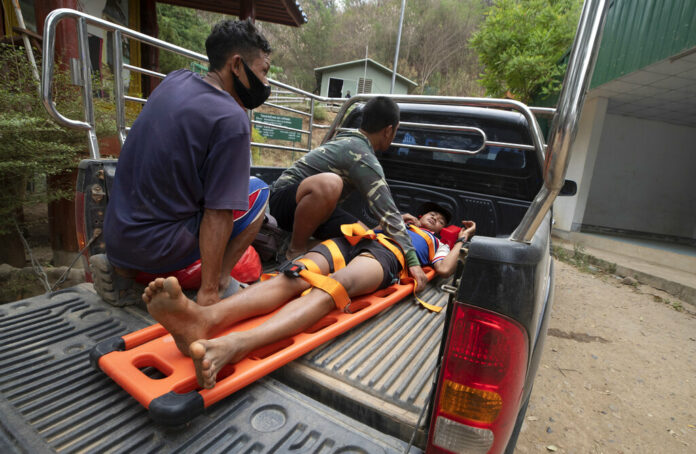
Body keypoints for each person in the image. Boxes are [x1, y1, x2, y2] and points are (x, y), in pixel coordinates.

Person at [142, 202, 476, 389]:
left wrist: (461, 238)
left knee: (332, 287)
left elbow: (444, 271)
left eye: (441, 219)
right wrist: (392, 220)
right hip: (355, 239)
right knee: (295, 274)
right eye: (431, 213)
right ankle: (203, 320)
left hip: (389, 258)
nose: (434, 218)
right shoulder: (395, 219)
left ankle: (235, 344)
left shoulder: (438, 243)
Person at [93, 19, 273, 307]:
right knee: (259, 192)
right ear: (237, 65)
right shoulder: (230, 118)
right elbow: (219, 213)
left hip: (117, 237)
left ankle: (122, 273)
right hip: (158, 248)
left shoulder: (174, 80)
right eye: (263, 71)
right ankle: (218, 286)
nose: (265, 83)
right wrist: (208, 294)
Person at [269, 96, 429, 291]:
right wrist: (412, 260)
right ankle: (294, 250)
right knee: (330, 184)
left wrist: (382, 226)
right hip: (281, 202)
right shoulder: (361, 154)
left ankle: (306, 249)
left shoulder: (351, 139)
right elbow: (387, 210)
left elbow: (387, 216)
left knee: (363, 237)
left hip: (311, 208)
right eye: (395, 131)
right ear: (389, 130)